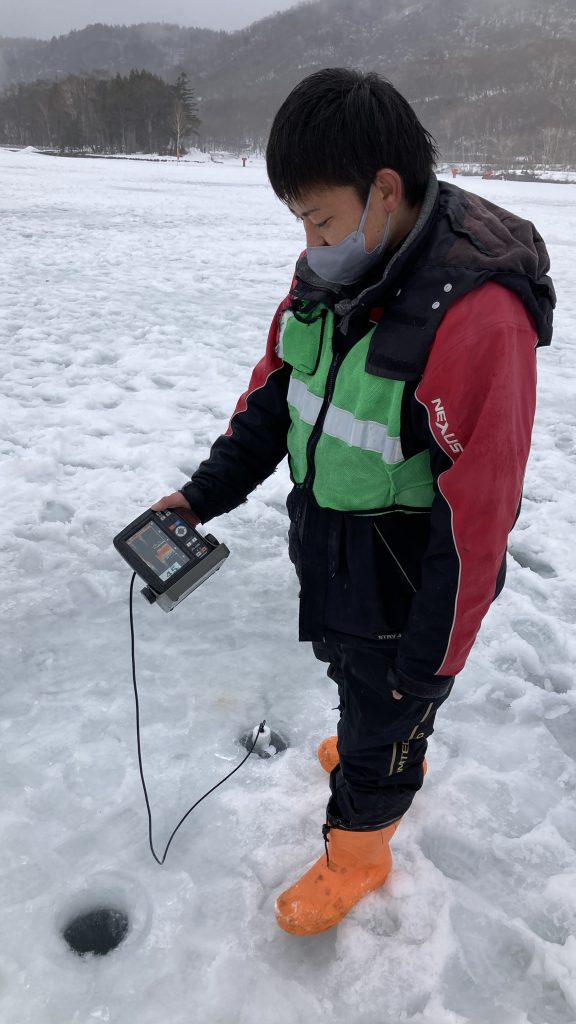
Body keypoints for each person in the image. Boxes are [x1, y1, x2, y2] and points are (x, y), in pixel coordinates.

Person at [151, 68, 555, 936]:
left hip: (411, 579)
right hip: (333, 549)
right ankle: (375, 736)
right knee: (357, 684)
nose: (309, 239)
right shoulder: (333, 271)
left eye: (318, 217)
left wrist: (429, 663)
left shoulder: (478, 316)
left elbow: (479, 514)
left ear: (385, 189)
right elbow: (273, 402)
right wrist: (200, 497)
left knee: (388, 718)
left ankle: (359, 847)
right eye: (300, 220)